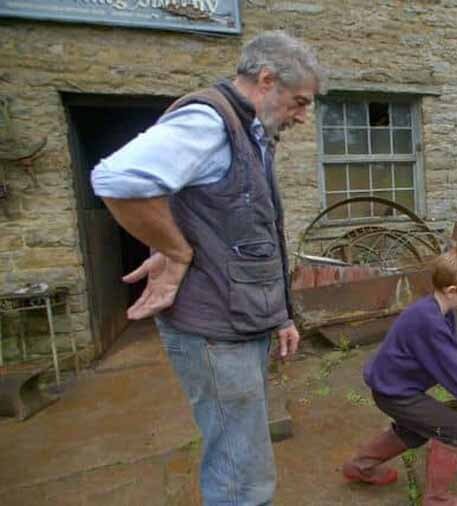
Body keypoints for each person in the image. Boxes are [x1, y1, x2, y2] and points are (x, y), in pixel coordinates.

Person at [90, 31, 325, 505]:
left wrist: (279, 316)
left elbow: (247, 233)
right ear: (265, 80)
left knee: (242, 452)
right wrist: (175, 251)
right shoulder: (209, 122)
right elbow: (116, 180)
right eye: (300, 101)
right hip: (215, 327)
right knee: (241, 473)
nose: (305, 115)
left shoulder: (250, 131)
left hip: (237, 320)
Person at [342, 246, 457, 506]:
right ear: (452, 291)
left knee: (415, 431)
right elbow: (452, 371)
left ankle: (359, 466)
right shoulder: (429, 322)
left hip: (394, 387)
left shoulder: (438, 312)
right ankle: (437, 500)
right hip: (395, 393)